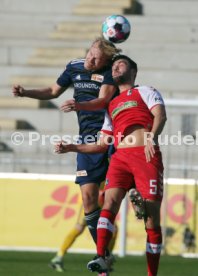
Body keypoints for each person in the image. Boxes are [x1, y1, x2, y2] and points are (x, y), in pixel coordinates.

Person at [12, 37, 121, 276]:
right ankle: (103, 255)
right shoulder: (74, 66)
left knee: (115, 197)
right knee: (89, 199)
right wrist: (26, 92)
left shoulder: (110, 72)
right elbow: (52, 91)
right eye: (91, 55)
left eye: (98, 59)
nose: (93, 61)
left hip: (111, 136)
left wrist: (80, 106)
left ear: (107, 61)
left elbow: (103, 101)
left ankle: (136, 206)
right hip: (86, 139)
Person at [54, 54, 167, 276]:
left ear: (133, 71)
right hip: (119, 159)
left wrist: (151, 138)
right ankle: (101, 256)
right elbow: (101, 144)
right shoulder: (111, 105)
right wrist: (72, 148)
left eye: (120, 64)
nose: (115, 68)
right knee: (108, 204)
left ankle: (151, 273)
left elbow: (160, 116)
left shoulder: (145, 91)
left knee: (152, 220)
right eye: (113, 66)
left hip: (145, 155)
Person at [50, 189, 118, 273]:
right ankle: (58, 257)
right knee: (79, 228)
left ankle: (107, 259)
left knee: (113, 229)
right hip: (91, 199)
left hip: (103, 201)